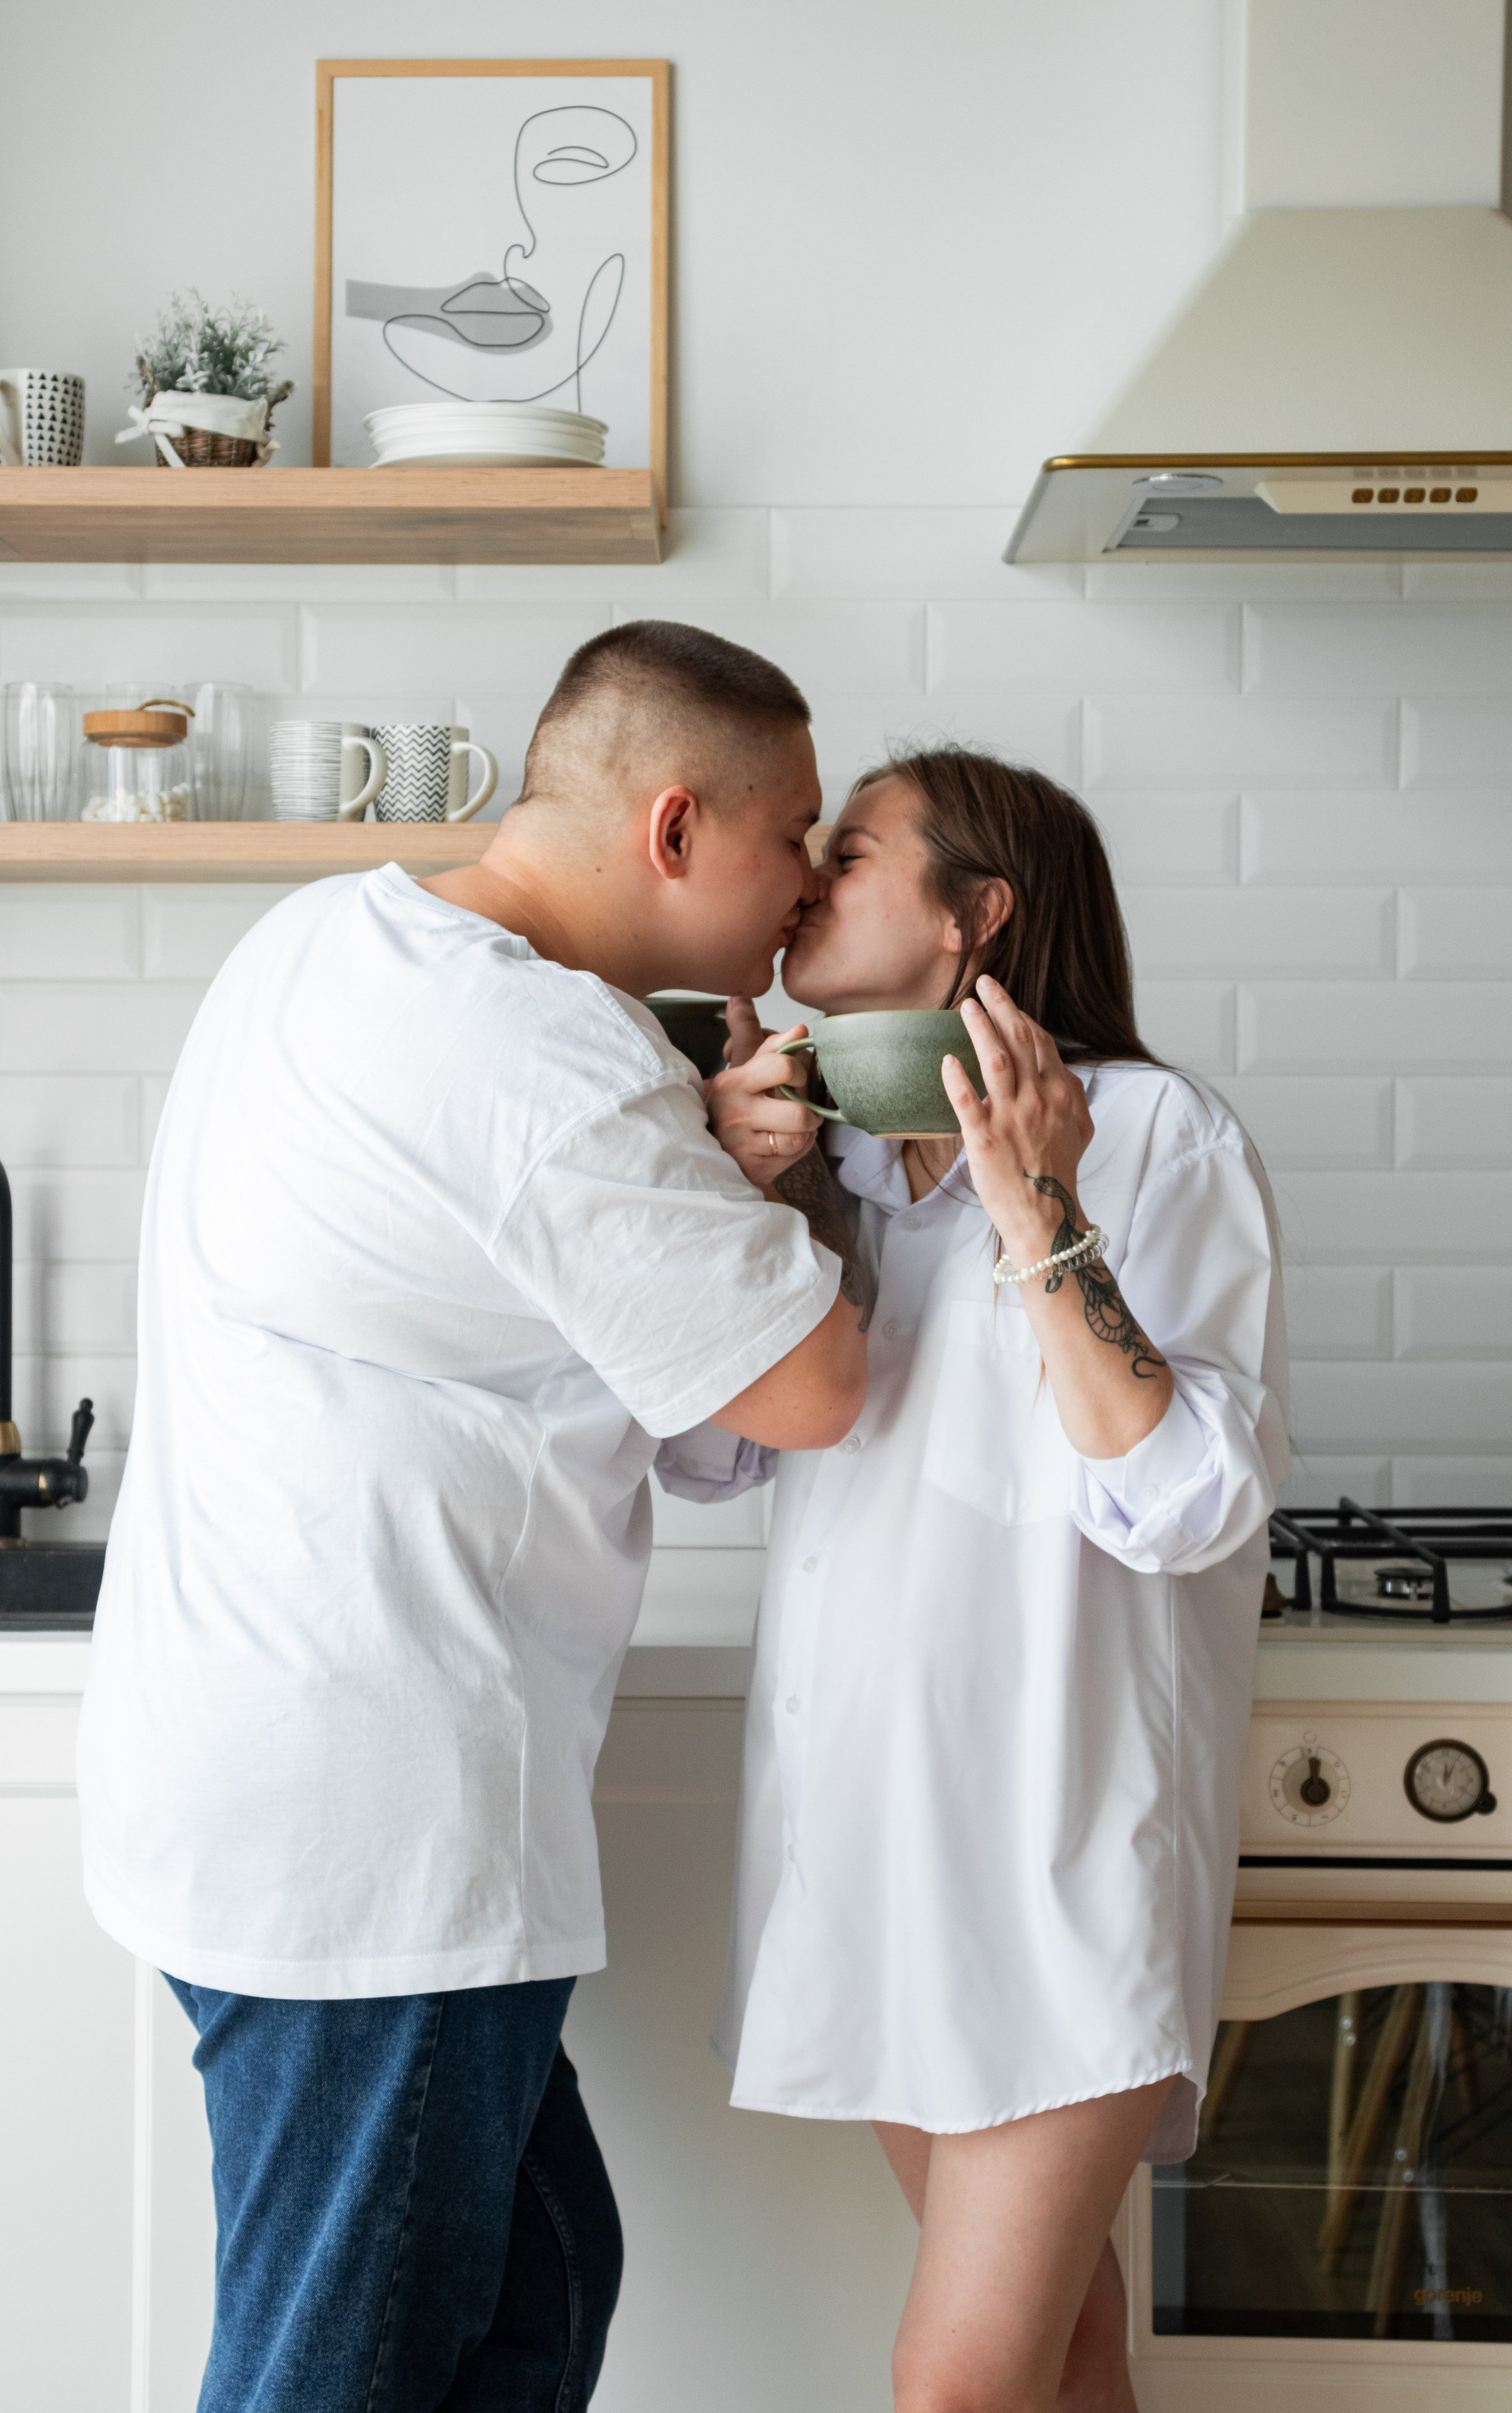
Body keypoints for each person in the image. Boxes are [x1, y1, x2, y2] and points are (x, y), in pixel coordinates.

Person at [76, 621, 868, 2413]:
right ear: (676, 831)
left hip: (259, 1781)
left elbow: (507, 1261)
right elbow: (810, 1386)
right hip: (380, 1838)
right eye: (795, 833)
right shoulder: (543, 1065)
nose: (808, 889)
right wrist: (781, 1170)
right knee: (339, 2371)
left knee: (537, 2290)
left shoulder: (340, 937)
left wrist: (684, 1148)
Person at [686, 748, 1289, 2412]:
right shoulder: (857, 1177)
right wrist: (754, 1198)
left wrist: (1042, 1208)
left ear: (979, 916)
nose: (807, 876)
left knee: (959, 2384)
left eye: (855, 851)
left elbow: (1188, 1500)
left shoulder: (1156, 1136)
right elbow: (713, 1453)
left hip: (1058, 1852)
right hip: (881, 1847)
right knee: (1062, 2348)